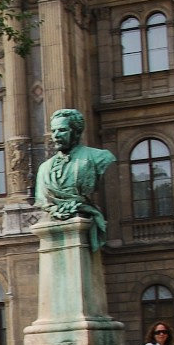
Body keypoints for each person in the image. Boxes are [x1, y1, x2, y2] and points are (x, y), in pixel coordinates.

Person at [34, 108, 117, 252]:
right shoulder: (44, 169)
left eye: (62, 130)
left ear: (76, 132)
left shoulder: (98, 157)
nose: (56, 136)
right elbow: (43, 200)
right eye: (53, 131)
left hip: (80, 220)